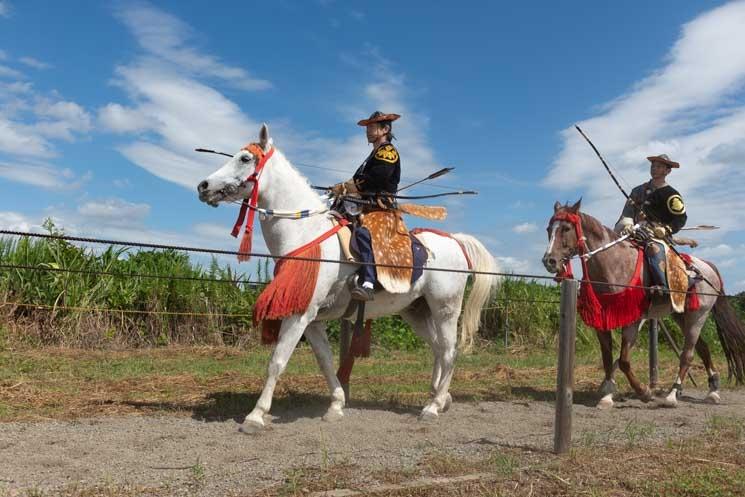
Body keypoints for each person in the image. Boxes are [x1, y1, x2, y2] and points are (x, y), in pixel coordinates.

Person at [331, 111, 401, 301]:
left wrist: (349, 185)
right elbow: (359, 179)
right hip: (364, 205)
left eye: (372, 127)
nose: (368, 131)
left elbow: (378, 177)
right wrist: (342, 188)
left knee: (363, 233)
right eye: (367, 128)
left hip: (380, 207)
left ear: (385, 129)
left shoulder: (387, 151)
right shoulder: (373, 154)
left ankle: (369, 282)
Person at [614, 154, 687, 294]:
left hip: (656, 234)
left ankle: (662, 286)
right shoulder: (638, 190)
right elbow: (627, 213)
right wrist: (627, 224)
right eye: (653, 166)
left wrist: (666, 229)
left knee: (654, 249)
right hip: (632, 230)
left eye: (659, 166)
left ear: (667, 171)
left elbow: (681, 218)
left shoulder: (672, 195)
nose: (654, 169)